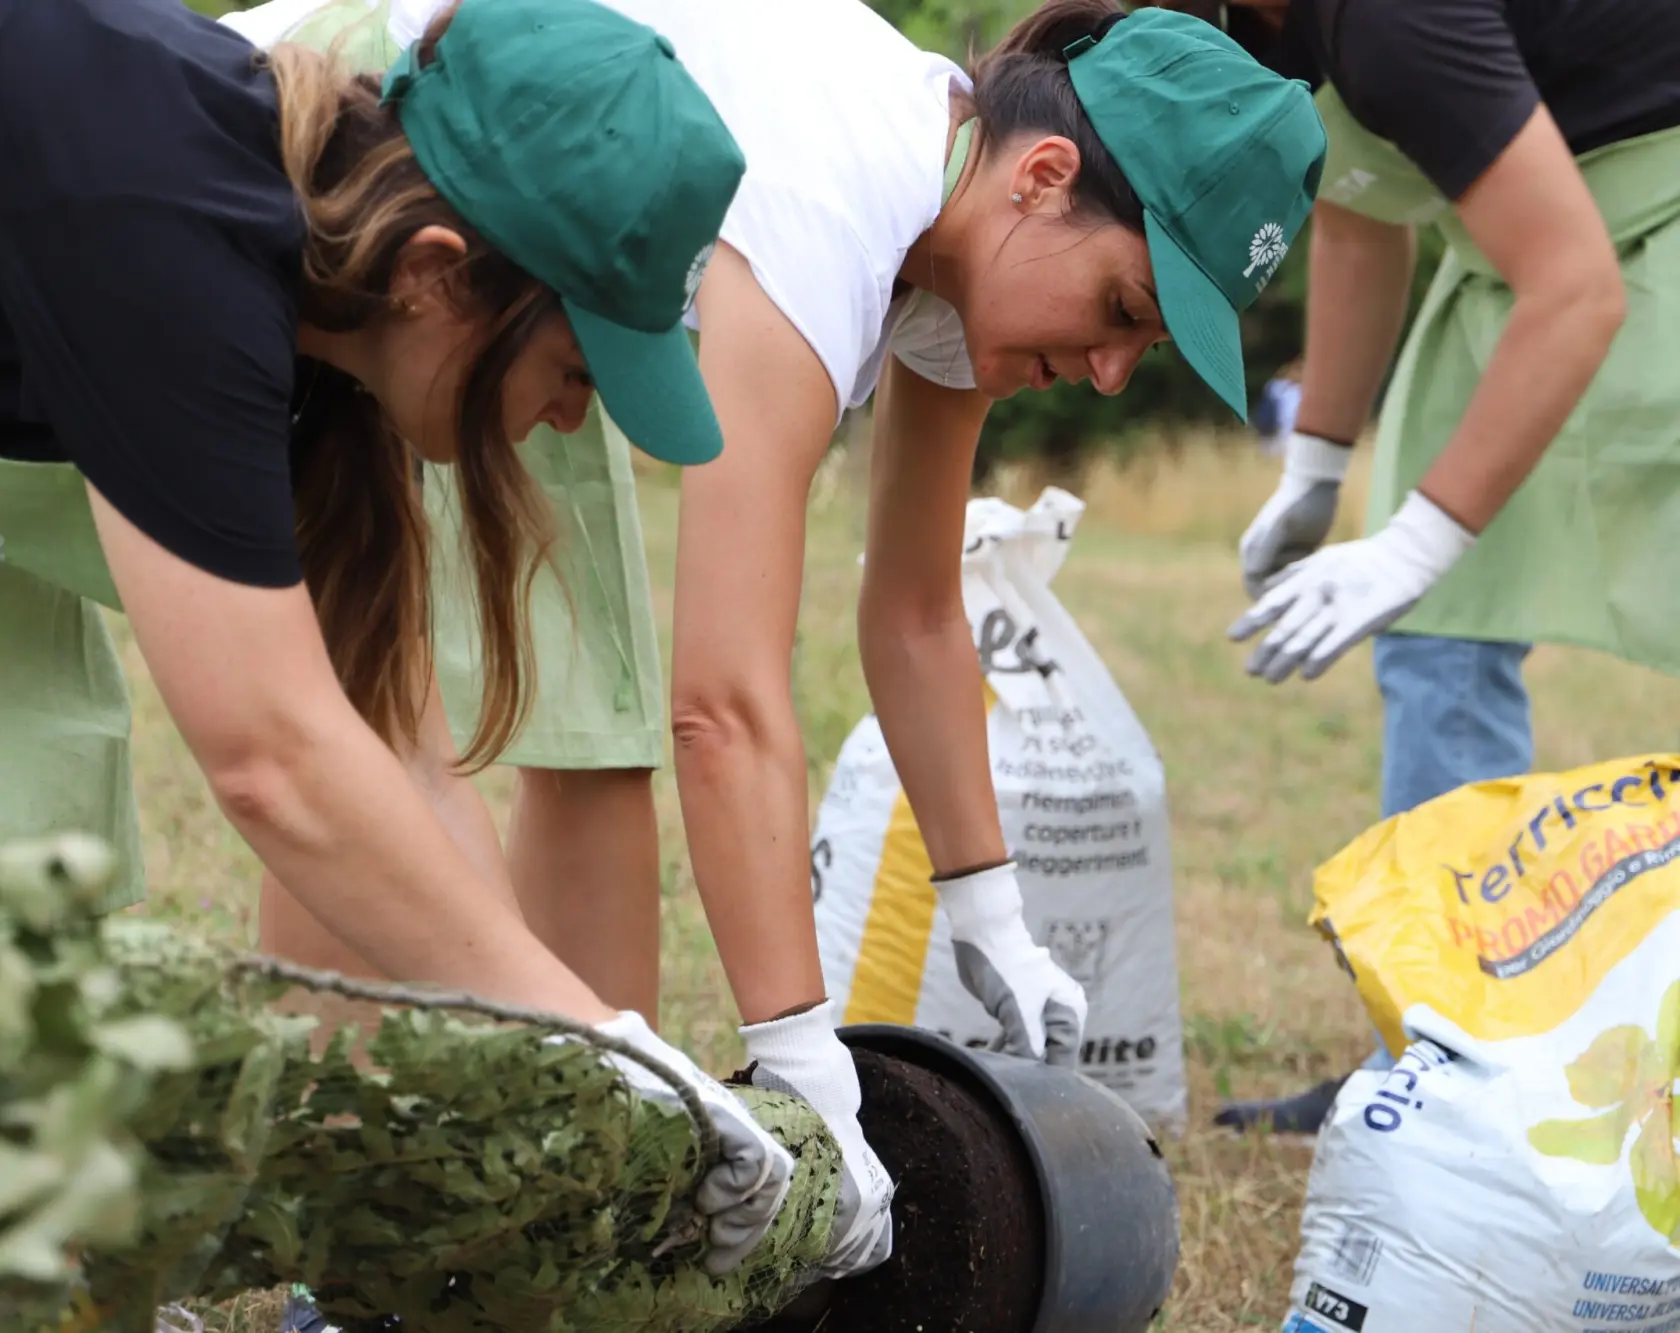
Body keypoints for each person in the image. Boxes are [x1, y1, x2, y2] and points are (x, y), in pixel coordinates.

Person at [0, 0, 802, 1291]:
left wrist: (582, 1069)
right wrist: (603, 1042)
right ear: (441, 269)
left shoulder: (317, 333)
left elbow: (395, 767)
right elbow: (272, 758)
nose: (561, 418)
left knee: (1, 850)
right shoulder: (159, 223)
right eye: (573, 367)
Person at [228, 2, 1326, 1322]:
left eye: (1138, 351)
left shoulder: (959, 237)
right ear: (1043, 180)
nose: (1105, 374)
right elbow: (727, 706)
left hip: (571, 275)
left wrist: (991, 910)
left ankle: (544, 1219)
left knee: (594, 736)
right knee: (389, 735)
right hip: (406, 161)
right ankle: (345, 1243)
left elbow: (917, 612)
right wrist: (796, 1051)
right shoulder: (840, 196)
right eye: (1124, 310)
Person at [1162, 0, 1680, 1133]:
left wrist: (1418, 535)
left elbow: (1578, 289)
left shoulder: (1390, 18)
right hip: (1523, 260)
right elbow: (1361, 210)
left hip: (1641, 227)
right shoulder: (1276, 28)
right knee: (1436, 632)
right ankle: (1446, 1050)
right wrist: (1316, 463)